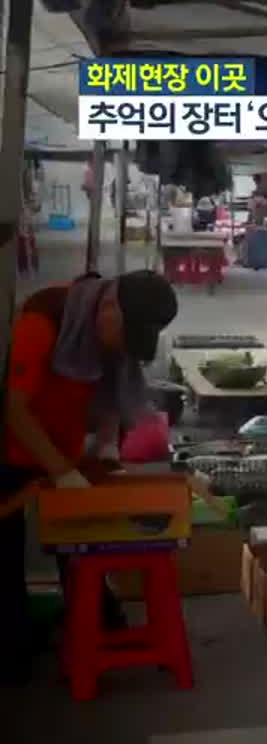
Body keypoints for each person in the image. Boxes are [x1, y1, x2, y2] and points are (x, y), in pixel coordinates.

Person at [2, 271, 179, 684]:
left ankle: (96, 625)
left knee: (81, 546)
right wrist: (60, 472)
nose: (120, 347)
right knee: (6, 561)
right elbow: (15, 410)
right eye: (125, 333)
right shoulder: (44, 319)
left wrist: (105, 444)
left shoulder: (111, 330)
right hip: (14, 452)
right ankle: (12, 655)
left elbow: (112, 387)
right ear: (109, 308)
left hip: (65, 449)